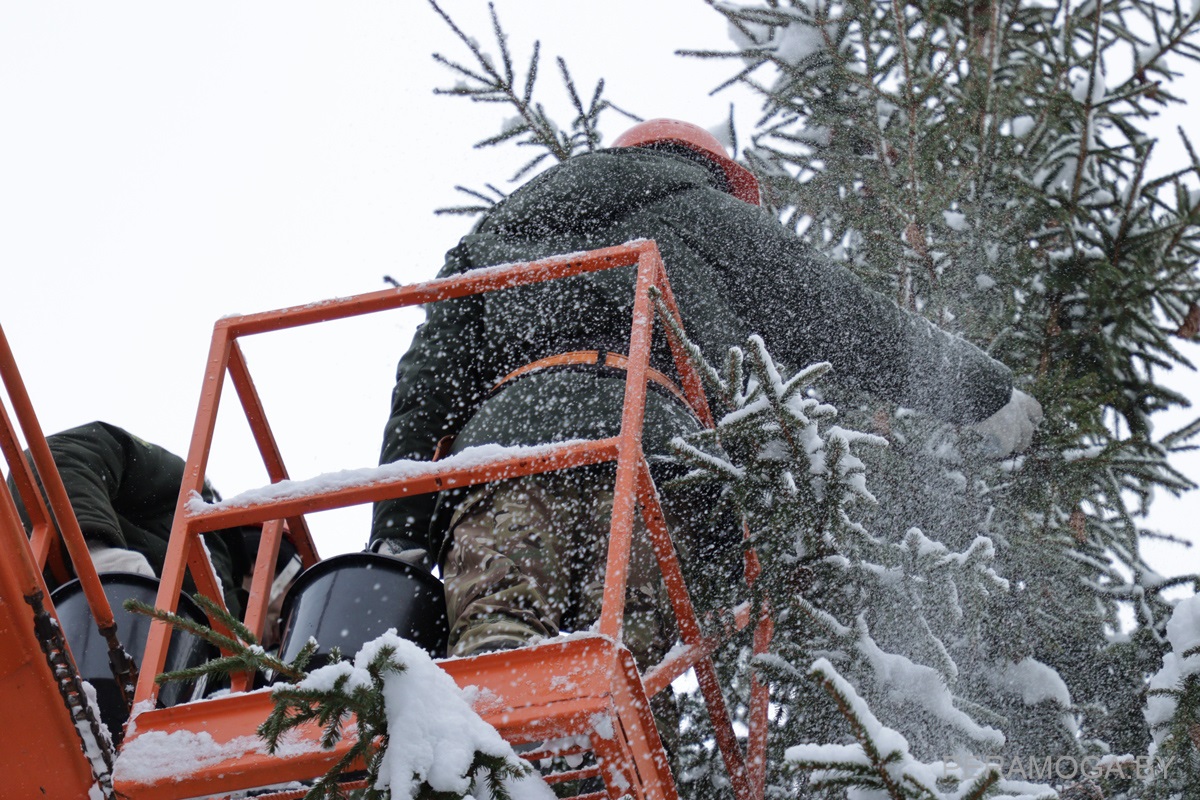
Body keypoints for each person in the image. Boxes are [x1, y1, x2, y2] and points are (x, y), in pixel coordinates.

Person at [369, 118, 1043, 667]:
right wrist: (983, 393)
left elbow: (424, 389)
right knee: (610, 691)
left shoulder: (496, 233)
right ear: (715, 173)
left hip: (504, 463)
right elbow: (845, 315)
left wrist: (396, 535)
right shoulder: (703, 212)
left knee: (494, 655)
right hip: (650, 467)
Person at [8, 420, 298, 635]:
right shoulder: (187, 497)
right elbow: (56, 458)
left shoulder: (235, 645)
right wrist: (96, 552)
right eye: (294, 600)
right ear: (268, 559)